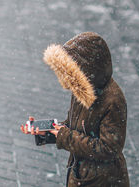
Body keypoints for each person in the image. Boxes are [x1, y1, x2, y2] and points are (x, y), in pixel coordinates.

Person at [20, 32, 129, 186]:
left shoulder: (113, 101)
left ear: (86, 71)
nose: (68, 79)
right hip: (83, 174)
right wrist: (49, 132)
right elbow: (76, 127)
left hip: (101, 180)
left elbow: (108, 148)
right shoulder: (83, 88)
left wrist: (63, 136)